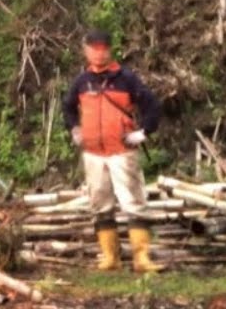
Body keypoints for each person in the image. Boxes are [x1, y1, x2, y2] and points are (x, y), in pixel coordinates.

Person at [61, 28, 163, 273]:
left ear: (109, 50)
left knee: (134, 202)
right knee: (100, 204)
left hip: (122, 151)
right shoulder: (81, 82)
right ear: (85, 51)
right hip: (93, 153)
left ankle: (142, 259)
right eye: (93, 49)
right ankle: (110, 257)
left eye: (103, 49)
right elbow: (67, 108)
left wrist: (143, 132)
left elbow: (152, 106)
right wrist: (75, 129)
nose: (98, 54)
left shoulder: (126, 78)